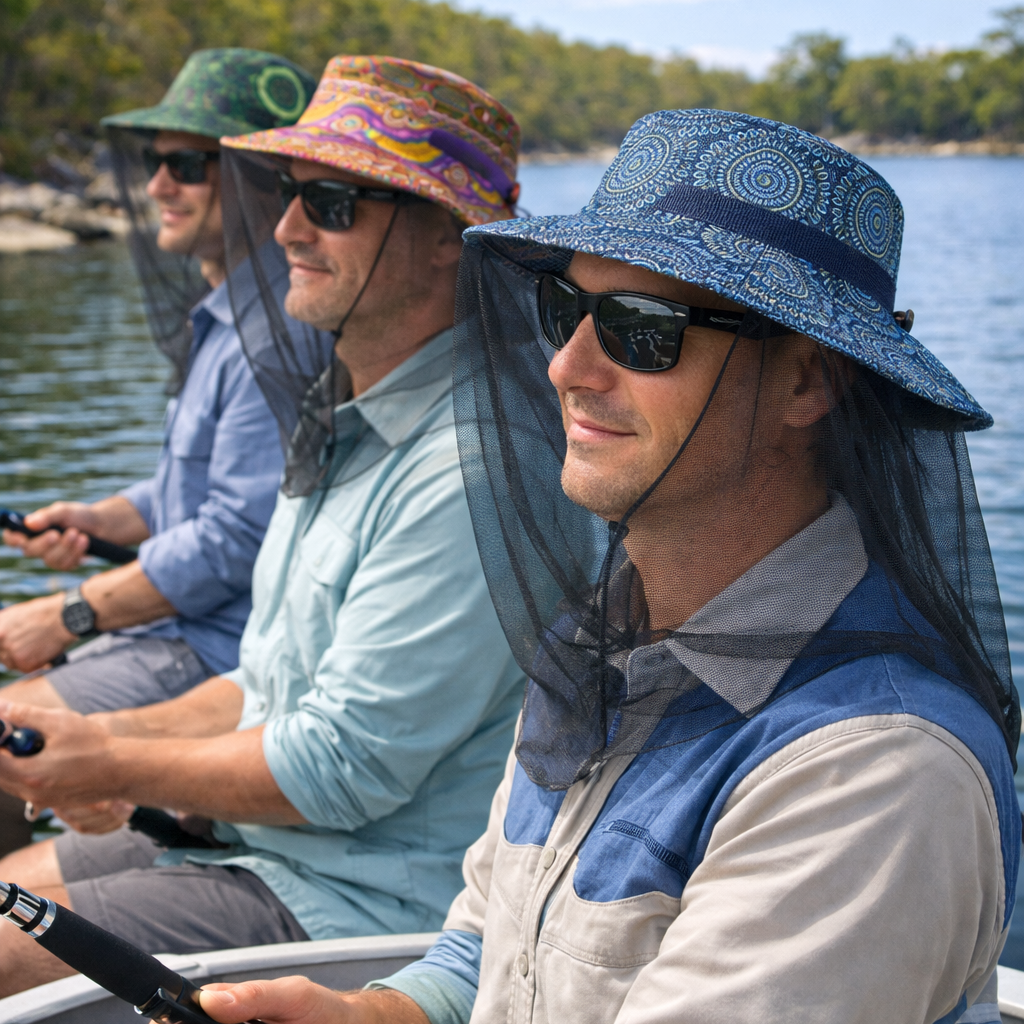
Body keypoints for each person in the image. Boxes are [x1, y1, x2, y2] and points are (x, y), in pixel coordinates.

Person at [192, 110, 1019, 1024]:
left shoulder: (872, 771)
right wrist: (370, 1014)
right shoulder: (608, 635)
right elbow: (488, 952)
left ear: (806, 383)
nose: (568, 366)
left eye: (642, 328)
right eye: (565, 311)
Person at [0, 56, 526, 997]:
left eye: (332, 203)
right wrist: (109, 755)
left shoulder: (468, 470)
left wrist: (113, 754)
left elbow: (341, 768)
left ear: (450, 235)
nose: (284, 227)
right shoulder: (344, 425)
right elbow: (267, 678)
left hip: (359, 905)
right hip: (258, 848)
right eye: (289, 193)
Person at [0, 49, 317, 855]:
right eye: (155, 161)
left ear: (260, 180)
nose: (156, 187)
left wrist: (69, 613)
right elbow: (195, 487)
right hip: (170, 634)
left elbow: (236, 537)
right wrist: (95, 516)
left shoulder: (275, 332)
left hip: (210, 653)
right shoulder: (227, 314)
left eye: (186, 164)